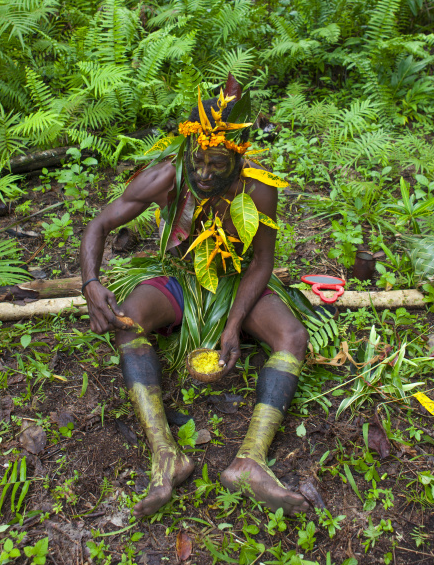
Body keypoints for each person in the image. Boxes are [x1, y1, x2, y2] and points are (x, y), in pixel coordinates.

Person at [80, 77, 319, 518]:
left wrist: (233, 323)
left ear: (240, 156)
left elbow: (262, 262)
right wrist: (91, 283)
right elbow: (98, 225)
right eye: (198, 161)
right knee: (128, 319)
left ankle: (251, 461)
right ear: (187, 149)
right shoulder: (167, 177)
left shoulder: (257, 188)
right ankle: (166, 456)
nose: (205, 174)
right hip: (177, 278)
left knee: (292, 336)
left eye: (218, 164)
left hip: (233, 280)